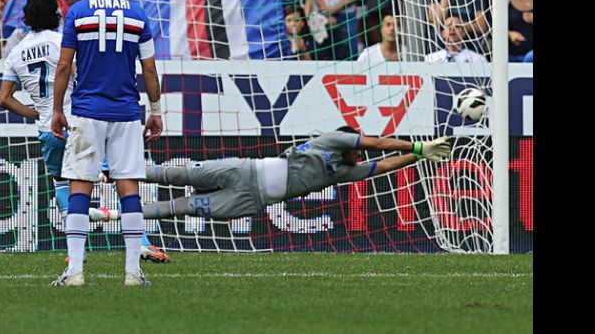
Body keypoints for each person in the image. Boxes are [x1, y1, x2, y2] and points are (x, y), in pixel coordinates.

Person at [50, 0, 163, 287]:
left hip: (86, 112)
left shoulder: (77, 13)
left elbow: (64, 66)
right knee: (129, 188)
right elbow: (149, 69)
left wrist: (57, 110)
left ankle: (75, 273)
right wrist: (155, 111)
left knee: (80, 187)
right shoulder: (138, 15)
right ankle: (132, 272)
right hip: (126, 112)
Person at [94, 127, 451, 221]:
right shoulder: (333, 140)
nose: (360, 151)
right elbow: (375, 144)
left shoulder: (345, 172)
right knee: (178, 173)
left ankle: (108, 214)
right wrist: (416, 146)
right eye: (356, 146)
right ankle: (109, 169)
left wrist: (419, 156)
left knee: (182, 207)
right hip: (243, 170)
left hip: (249, 199)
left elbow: (383, 165)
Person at [0, 0, 75, 246]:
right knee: (112, 176)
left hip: (47, 128)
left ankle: (75, 246)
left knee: (61, 184)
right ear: (56, 14)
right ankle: (140, 240)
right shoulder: (64, 40)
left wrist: (35, 112)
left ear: (27, 19)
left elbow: (4, 98)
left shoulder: (16, 53)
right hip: (78, 121)